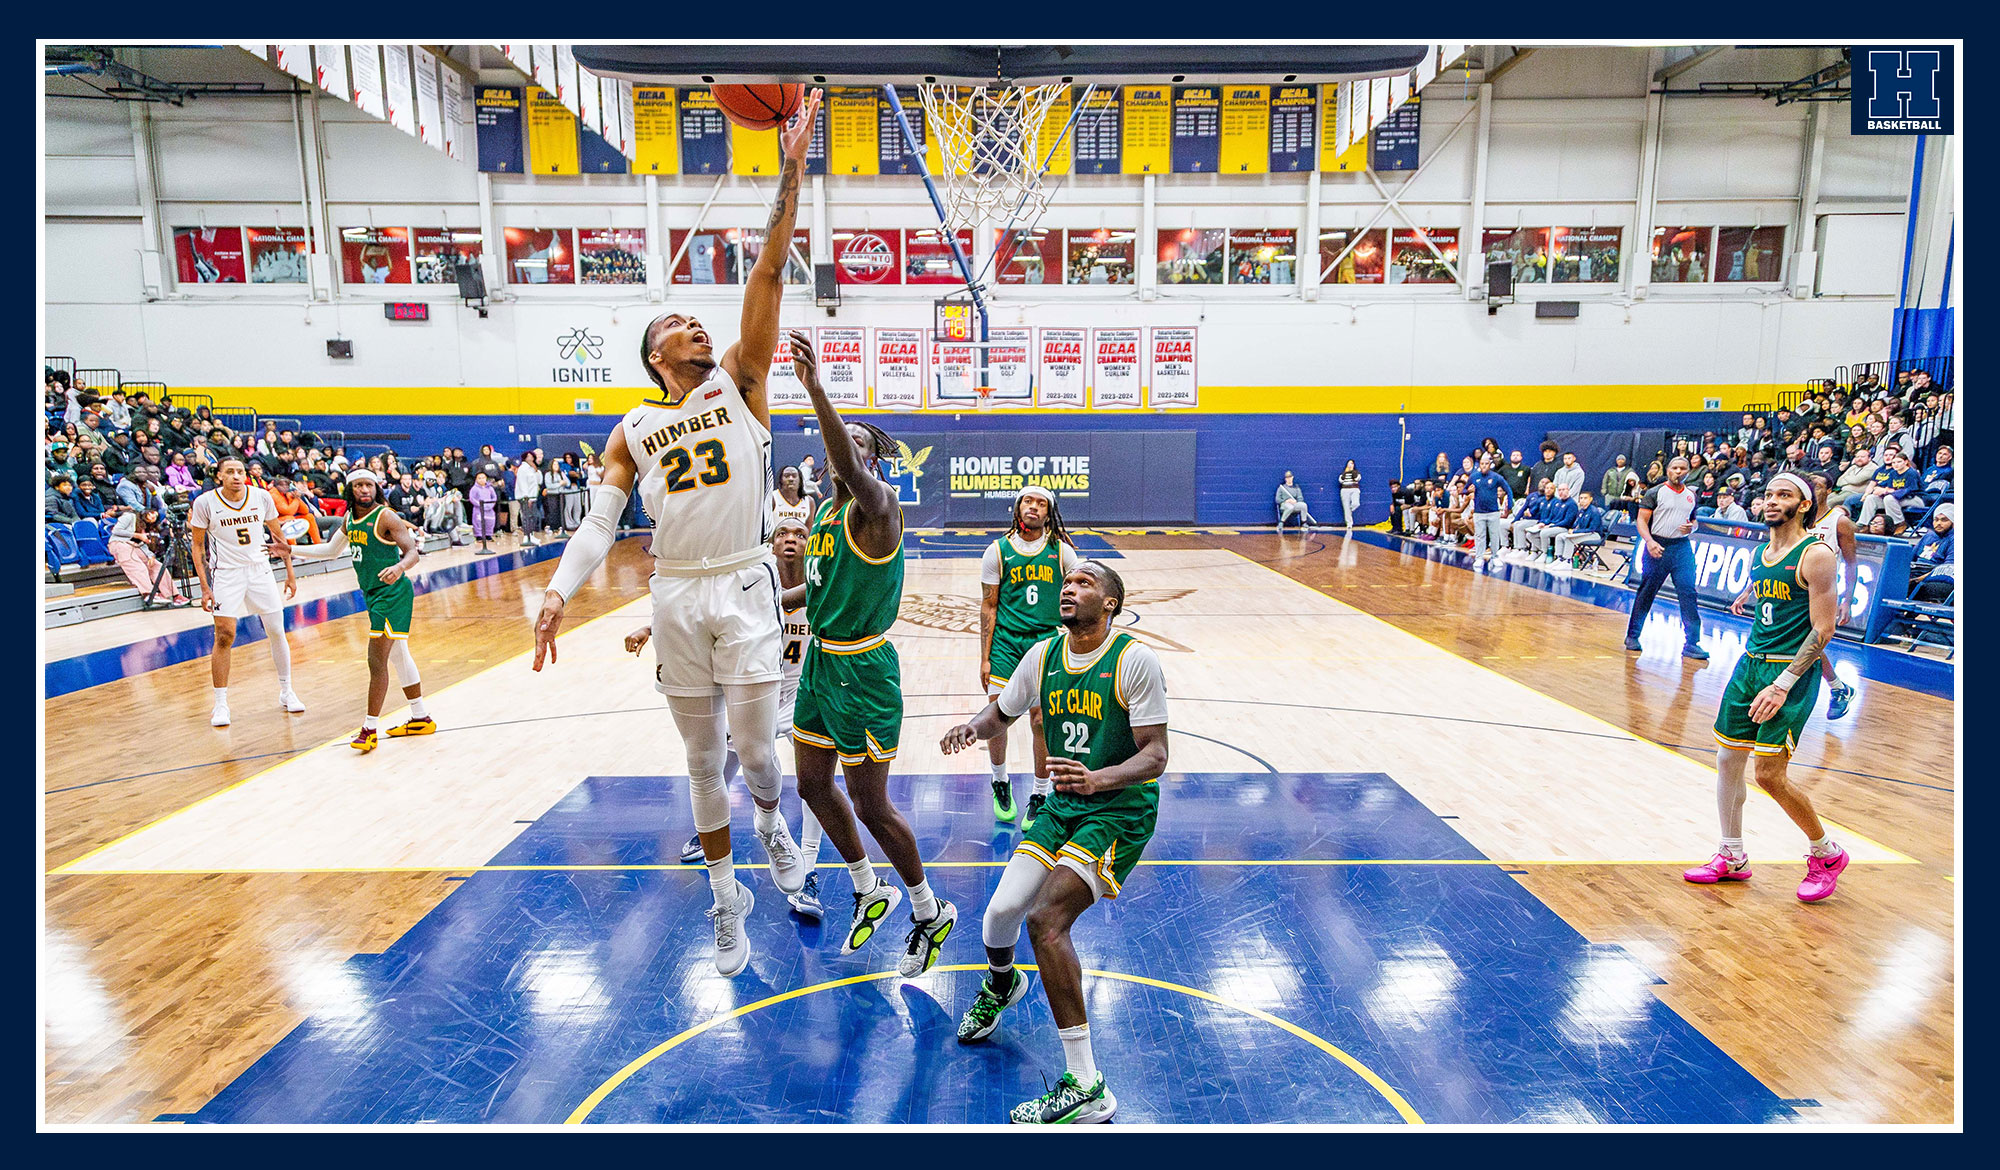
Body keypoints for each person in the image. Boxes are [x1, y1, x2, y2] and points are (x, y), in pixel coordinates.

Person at [532, 92, 821, 979]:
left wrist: (792, 168)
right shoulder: (629, 426)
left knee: (761, 754)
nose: (698, 326)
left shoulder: (739, 379)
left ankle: (772, 828)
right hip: (673, 587)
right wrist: (556, 591)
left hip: (741, 579)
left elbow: (768, 271)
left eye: (701, 321)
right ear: (659, 355)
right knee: (699, 758)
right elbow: (599, 523)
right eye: (679, 326)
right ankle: (726, 898)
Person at [940, 560, 1170, 1125]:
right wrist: (973, 727)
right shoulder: (1042, 656)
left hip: (1117, 812)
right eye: (1067, 583)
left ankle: (1087, 1085)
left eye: (1084, 583)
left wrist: (1098, 779)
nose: (1069, 588)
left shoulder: (1132, 660)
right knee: (999, 916)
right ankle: (1002, 986)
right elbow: (1003, 711)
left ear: (1111, 603)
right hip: (1065, 807)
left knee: (1045, 921)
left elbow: (1156, 756)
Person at [780, 327, 957, 976]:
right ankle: (865, 886)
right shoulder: (822, 519)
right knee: (810, 784)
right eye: (837, 443)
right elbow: (815, 591)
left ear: (873, 463)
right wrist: (773, 596)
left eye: (857, 444)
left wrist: (818, 390)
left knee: (871, 802)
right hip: (821, 663)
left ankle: (927, 908)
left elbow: (852, 468)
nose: (842, 452)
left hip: (864, 670)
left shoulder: (877, 507)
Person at [1687, 473, 1851, 902]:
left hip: (1788, 676)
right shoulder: (1763, 552)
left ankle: (1826, 853)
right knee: (1727, 758)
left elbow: (1823, 630)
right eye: (1768, 495)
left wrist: (1782, 684)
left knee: (1769, 776)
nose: (1772, 501)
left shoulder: (1816, 554)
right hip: (1750, 664)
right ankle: (1732, 855)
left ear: (1802, 504)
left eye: (1784, 495)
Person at [651, 519, 826, 916]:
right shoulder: (750, 579)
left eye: (799, 535)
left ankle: (810, 871)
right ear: (770, 541)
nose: (791, 541)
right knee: (728, 754)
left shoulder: (818, 580)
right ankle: (708, 829)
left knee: (815, 780)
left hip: (802, 688)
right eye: (783, 534)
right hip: (757, 685)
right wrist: (653, 625)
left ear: (808, 543)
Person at [981, 485, 1080, 827]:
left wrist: (1076, 648)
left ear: (1049, 513)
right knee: (998, 715)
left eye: (1041, 503)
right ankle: (999, 780)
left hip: (1045, 643)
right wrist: (984, 657)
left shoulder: (1063, 553)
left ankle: (1039, 793)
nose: (1033, 507)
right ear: (1017, 508)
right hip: (1006, 644)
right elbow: (989, 606)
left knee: (1041, 721)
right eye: (1028, 501)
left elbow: (1076, 602)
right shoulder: (997, 550)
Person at [188, 456, 303, 726]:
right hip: (226, 574)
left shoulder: (261, 497)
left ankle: (287, 691)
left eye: (240, 471)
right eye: (230, 472)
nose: (237, 476)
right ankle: (220, 705)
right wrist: (204, 588)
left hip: (260, 570)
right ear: (219, 477)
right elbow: (197, 547)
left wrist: (289, 573)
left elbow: (279, 538)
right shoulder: (205, 503)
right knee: (225, 635)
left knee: (276, 630)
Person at [330, 470, 434, 752]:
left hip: (392, 593)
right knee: (400, 656)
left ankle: (369, 729)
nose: (364, 489)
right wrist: (291, 551)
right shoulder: (349, 519)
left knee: (376, 662)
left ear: (376, 488)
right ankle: (420, 716)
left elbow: (412, 551)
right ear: (350, 489)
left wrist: (400, 566)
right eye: (359, 485)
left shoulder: (386, 516)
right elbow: (329, 552)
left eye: (369, 485)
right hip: (373, 594)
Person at [1623, 455, 1707, 658]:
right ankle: (1633, 635)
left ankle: (1692, 643)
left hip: (1681, 548)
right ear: (1668, 470)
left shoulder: (1691, 495)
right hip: (1658, 546)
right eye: (1675, 468)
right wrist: (1650, 542)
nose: (1678, 472)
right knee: (1647, 592)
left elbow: (1694, 521)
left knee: (1688, 593)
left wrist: (1692, 528)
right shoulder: (1655, 492)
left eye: (1682, 468)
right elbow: (1641, 521)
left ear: (1688, 472)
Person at [1800, 473, 1862, 720]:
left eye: (1817, 486)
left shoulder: (1839, 522)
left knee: (1809, 639)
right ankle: (1838, 688)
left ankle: (1835, 688)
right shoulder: (1798, 518)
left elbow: (1851, 563)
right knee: (1801, 641)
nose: (1812, 489)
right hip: (1795, 586)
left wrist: (1847, 600)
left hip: (1822, 590)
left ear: (1830, 490)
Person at [107, 507, 191, 607]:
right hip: (119, 544)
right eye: (152, 513)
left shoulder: (144, 528)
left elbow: (143, 545)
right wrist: (137, 535)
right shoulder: (130, 516)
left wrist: (151, 556)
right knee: (138, 566)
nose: (152, 516)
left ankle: (174, 595)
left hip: (135, 547)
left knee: (157, 566)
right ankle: (148, 594)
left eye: (155, 516)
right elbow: (116, 531)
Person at [1467, 454, 1511, 563]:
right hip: (1479, 512)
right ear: (1479, 465)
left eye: (1486, 463)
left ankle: (1495, 556)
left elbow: (1508, 490)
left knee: (1494, 535)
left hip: (1493, 512)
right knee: (1479, 535)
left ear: (1490, 465)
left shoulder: (1496, 477)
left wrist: (1509, 506)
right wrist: (1468, 491)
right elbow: (1464, 489)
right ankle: (1479, 557)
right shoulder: (1474, 477)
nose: (1484, 466)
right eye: (1482, 464)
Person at [769, 464, 813, 531]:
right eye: (787, 476)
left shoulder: (809, 501)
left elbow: (809, 531)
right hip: (777, 540)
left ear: (800, 480)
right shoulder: (773, 498)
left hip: (798, 540)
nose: (791, 479)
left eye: (794, 476)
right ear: (781, 480)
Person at [468, 471, 499, 554]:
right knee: (478, 522)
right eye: (479, 478)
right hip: (479, 509)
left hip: (489, 509)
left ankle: (488, 535)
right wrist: (479, 505)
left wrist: (490, 505)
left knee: (490, 521)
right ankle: (479, 536)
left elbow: (494, 497)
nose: (481, 480)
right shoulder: (474, 489)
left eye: (483, 478)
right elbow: (472, 498)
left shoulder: (490, 488)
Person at [1337, 460, 1362, 527]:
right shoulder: (1343, 473)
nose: (1350, 465)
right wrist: (1345, 473)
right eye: (1349, 464)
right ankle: (1349, 523)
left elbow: (1357, 479)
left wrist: (1352, 471)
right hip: (1345, 490)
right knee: (1346, 507)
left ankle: (1350, 510)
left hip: (1354, 489)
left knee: (1356, 503)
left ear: (1353, 465)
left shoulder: (1357, 473)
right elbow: (1340, 480)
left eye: (1351, 463)